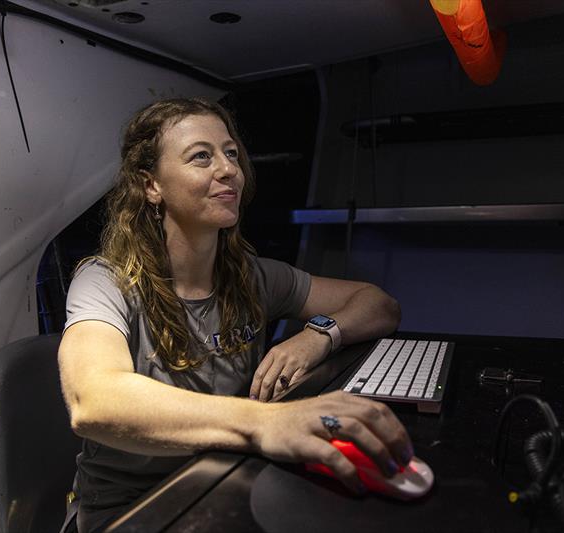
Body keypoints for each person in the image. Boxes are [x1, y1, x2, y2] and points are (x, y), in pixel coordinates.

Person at [58, 97, 411, 532]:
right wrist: (265, 423)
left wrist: (318, 336)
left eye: (230, 153)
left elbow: (379, 305)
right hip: (130, 510)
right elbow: (92, 402)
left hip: (224, 477)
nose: (228, 169)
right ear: (151, 185)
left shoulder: (252, 277)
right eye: (201, 156)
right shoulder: (105, 281)